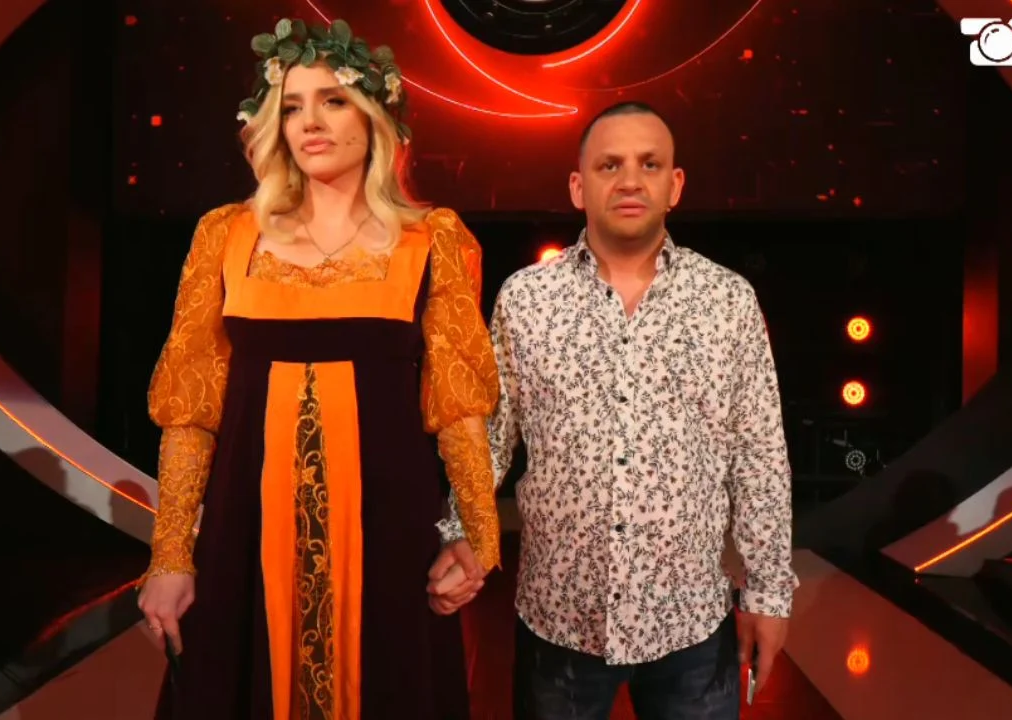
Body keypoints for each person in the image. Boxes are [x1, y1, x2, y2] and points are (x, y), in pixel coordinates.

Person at [136, 17, 502, 719]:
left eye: (333, 101)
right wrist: (171, 555)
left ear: (374, 116)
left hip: (389, 543)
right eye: (293, 105)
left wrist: (478, 541)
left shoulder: (432, 241)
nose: (310, 122)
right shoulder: (227, 235)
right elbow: (191, 412)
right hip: (245, 540)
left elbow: (458, 409)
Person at [428, 101, 799, 719]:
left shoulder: (727, 301)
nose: (630, 180)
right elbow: (490, 439)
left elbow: (758, 456)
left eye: (649, 164)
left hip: (690, 624)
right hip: (558, 621)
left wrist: (769, 593)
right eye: (610, 165)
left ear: (675, 185)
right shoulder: (527, 299)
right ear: (579, 187)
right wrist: (461, 533)